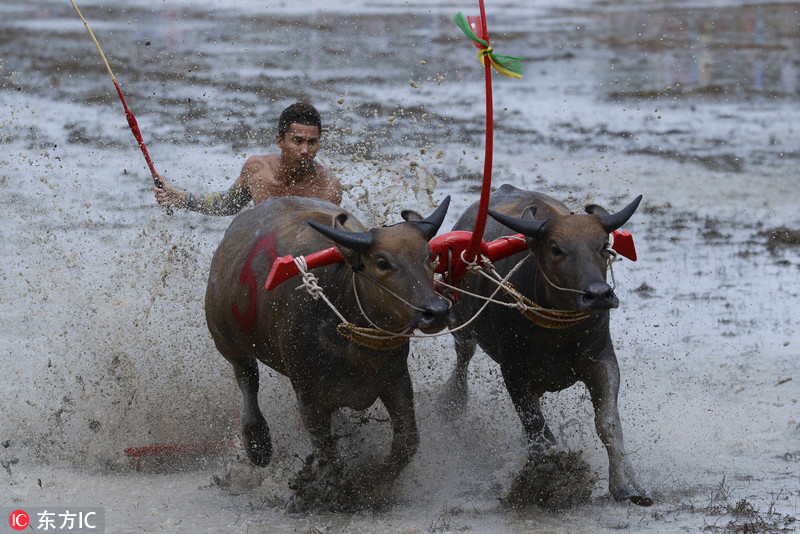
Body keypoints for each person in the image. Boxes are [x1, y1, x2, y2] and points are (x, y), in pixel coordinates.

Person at [153, 102, 342, 214]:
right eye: (297, 141)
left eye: (312, 142)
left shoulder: (327, 189)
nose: (304, 150)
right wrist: (177, 197)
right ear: (280, 141)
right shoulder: (258, 169)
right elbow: (227, 204)